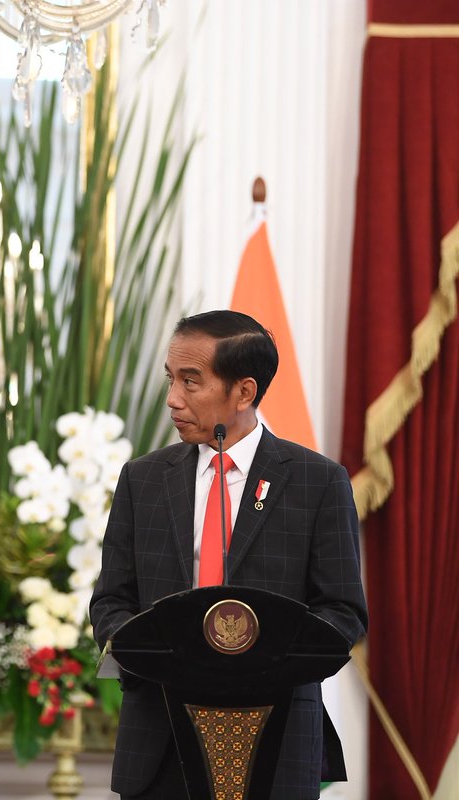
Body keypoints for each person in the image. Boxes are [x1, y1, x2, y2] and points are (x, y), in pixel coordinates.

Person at [89, 310, 368, 799]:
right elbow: (111, 602)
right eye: (171, 379)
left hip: (275, 739)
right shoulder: (143, 480)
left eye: (191, 381)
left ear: (244, 391)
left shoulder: (317, 481)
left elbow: (343, 613)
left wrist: (267, 665)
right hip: (160, 737)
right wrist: (154, 656)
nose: (173, 399)